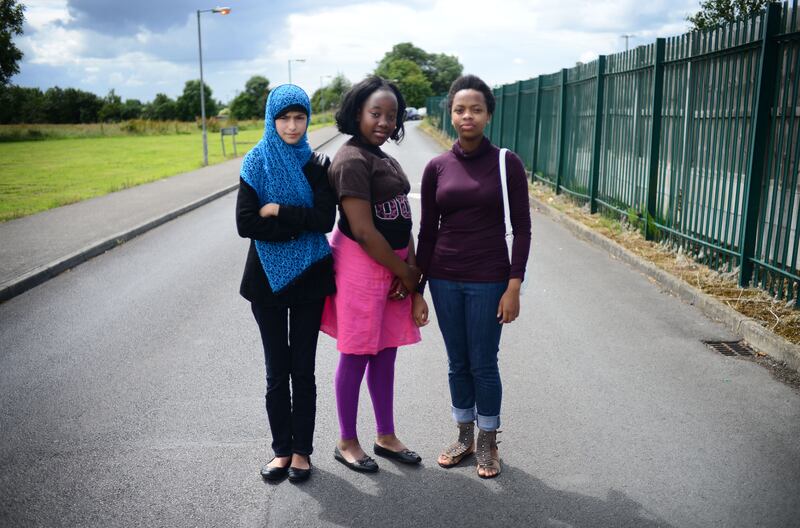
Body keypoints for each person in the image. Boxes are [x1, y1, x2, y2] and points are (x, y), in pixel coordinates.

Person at [414, 74, 532, 479]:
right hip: (444, 279)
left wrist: (514, 285)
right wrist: (418, 289)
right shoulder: (436, 167)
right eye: (460, 109)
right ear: (450, 114)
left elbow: (523, 228)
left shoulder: (506, 163)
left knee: (483, 362)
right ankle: (464, 435)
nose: (468, 116)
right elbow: (427, 233)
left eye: (476, 110)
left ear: (488, 115)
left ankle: (487, 440)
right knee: (457, 362)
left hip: (489, 279)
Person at [320, 76, 425, 473]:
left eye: (391, 115)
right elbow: (363, 231)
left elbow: (402, 219)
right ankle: (347, 441)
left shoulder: (384, 157)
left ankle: (386, 435)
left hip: (394, 266)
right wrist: (405, 272)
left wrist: (410, 271)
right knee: (357, 352)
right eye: (375, 113)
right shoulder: (351, 160)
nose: (384, 122)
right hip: (362, 266)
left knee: (385, 352)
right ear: (357, 113)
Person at [236, 84, 336, 483]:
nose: (292, 126)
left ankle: (301, 452)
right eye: (284, 118)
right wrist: (299, 227)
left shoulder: (317, 163)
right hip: (266, 281)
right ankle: (281, 451)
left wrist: (278, 210)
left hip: (310, 277)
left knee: (303, 370)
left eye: (299, 117)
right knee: (276, 370)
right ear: (271, 119)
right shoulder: (255, 161)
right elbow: (246, 223)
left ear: (308, 119)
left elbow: (325, 220)